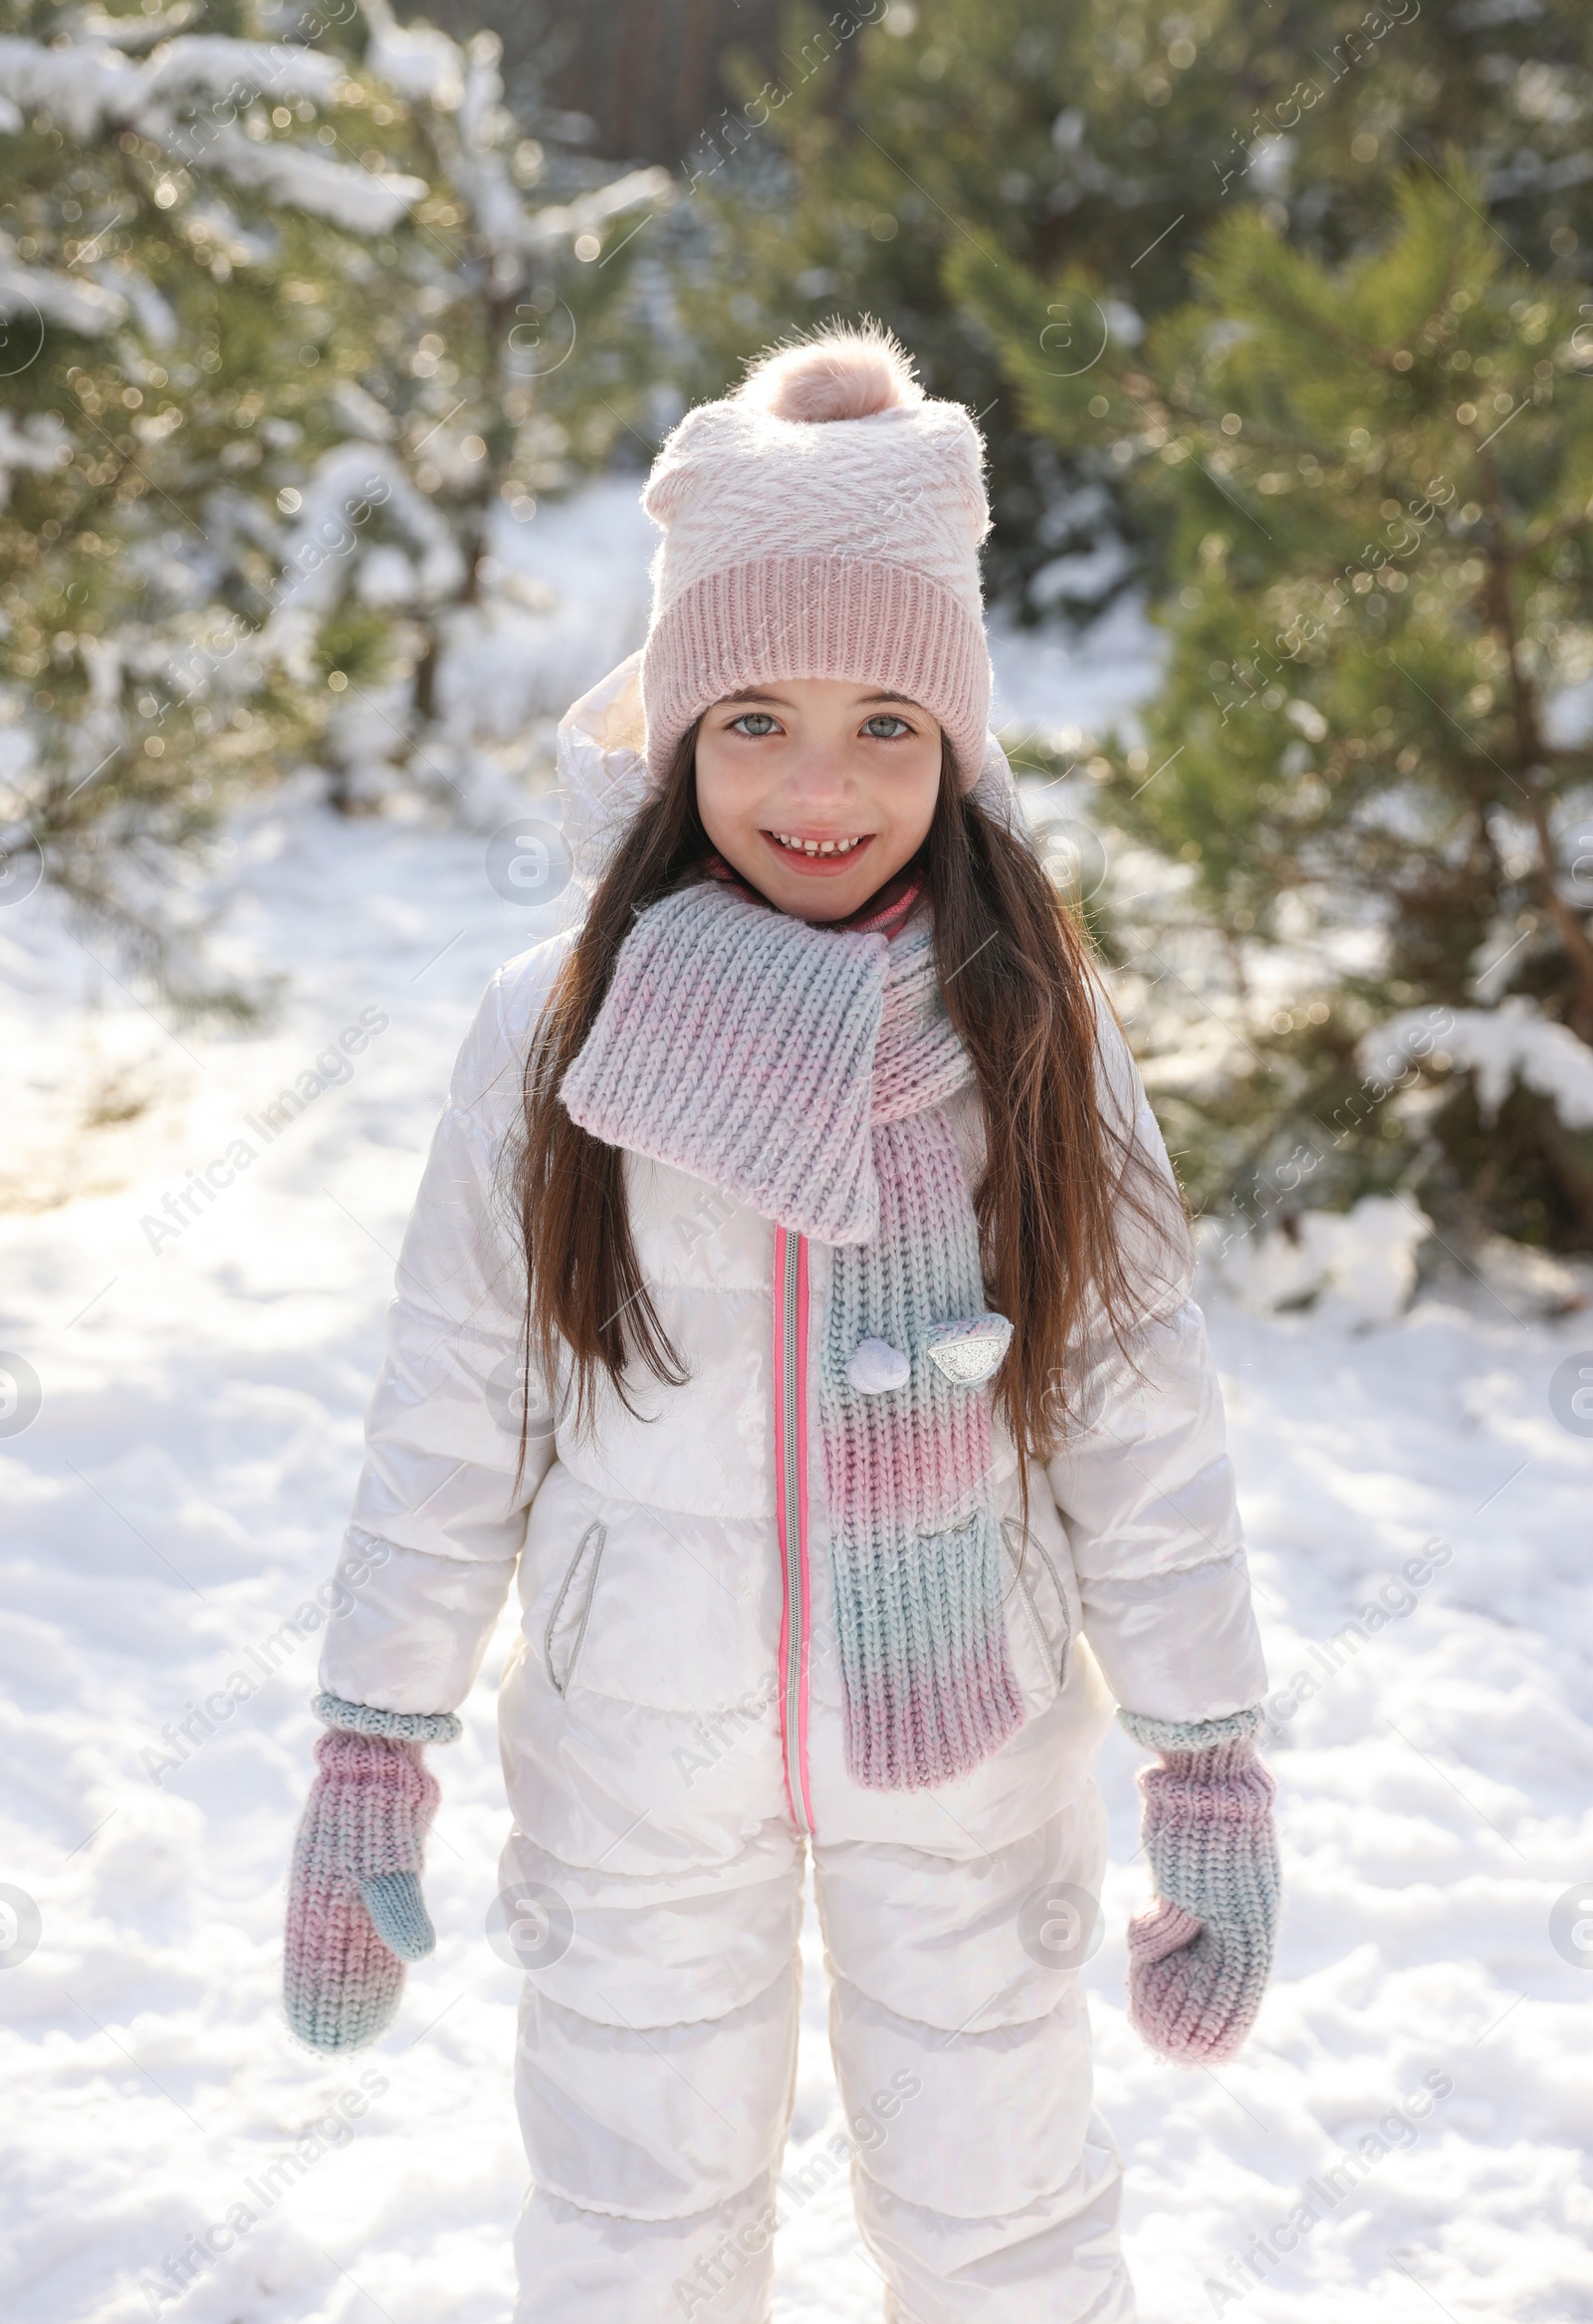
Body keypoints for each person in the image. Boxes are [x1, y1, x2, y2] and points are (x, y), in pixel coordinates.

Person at [283, 324, 1277, 2323]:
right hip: (629, 1752)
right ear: (667, 733)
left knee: (1002, 2223)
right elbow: (450, 1413)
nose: (818, 788)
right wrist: (374, 1737)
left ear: (958, 746)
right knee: (631, 2235)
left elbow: (1129, 1404)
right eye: (749, 718)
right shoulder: (553, 1033)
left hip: (969, 1746)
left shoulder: (1027, 1034)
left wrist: (1205, 1752)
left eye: (883, 727)